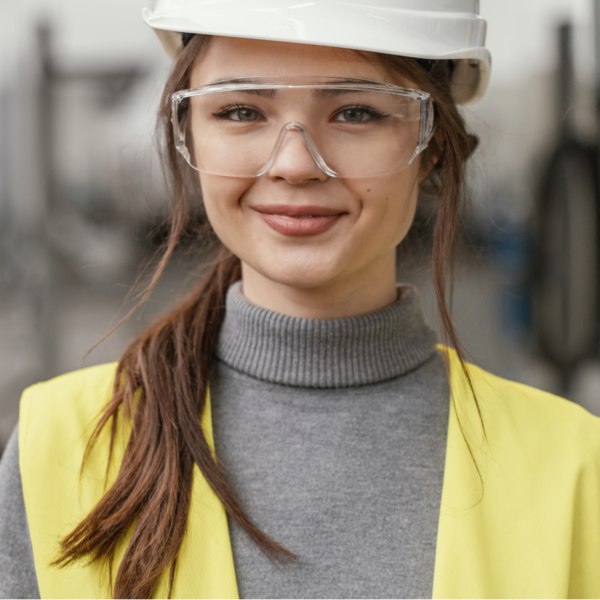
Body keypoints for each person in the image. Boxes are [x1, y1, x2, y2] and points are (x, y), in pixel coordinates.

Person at [1, 1, 600, 599]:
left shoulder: (577, 468)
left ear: (434, 145)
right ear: (188, 132)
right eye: (240, 111)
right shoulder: (58, 449)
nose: (293, 164)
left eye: (356, 112)